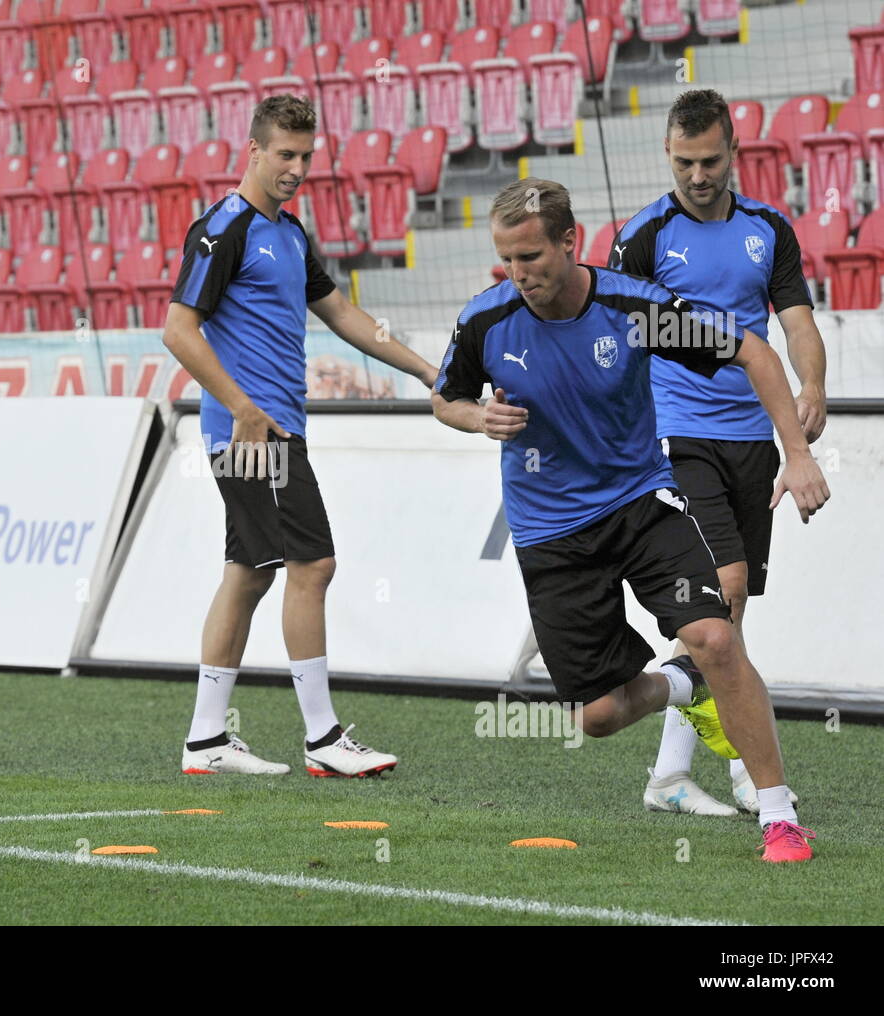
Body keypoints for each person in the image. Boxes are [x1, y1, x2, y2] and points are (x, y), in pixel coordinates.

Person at [431, 178, 829, 861]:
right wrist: (477, 418)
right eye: (508, 259)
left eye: (532, 256)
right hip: (550, 532)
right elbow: (446, 399)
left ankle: (778, 816)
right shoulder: (485, 322)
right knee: (598, 716)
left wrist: (795, 454)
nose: (520, 273)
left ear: (569, 240)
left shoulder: (635, 308)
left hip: (642, 504)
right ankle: (684, 685)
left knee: (717, 634)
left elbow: (755, 352)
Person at [163, 95, 439, 777]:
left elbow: (342, 312)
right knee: (312, 565)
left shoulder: (288, 234)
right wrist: (242, 406)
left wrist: (429, 371)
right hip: (256, 434)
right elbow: (176, 329)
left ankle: (206, 740)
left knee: (250, 572)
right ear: (252, 149)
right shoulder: (223, 227)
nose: (295, 167)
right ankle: (322, 738)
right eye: (283, 154)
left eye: (305, 156)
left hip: (269, 431)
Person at [610, 89, 827, 817]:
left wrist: (814, 384)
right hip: (675, 434)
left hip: (750, 441)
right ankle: (742, 764)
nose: (697, 176)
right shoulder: (644, 234)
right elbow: (613, 339)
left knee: (727, 618)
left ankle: (670, 774)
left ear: (732, 152)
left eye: (708, 161)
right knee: (722, 586)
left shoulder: (769, 230)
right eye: (682, 162)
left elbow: (796, 324)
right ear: (667, 156)